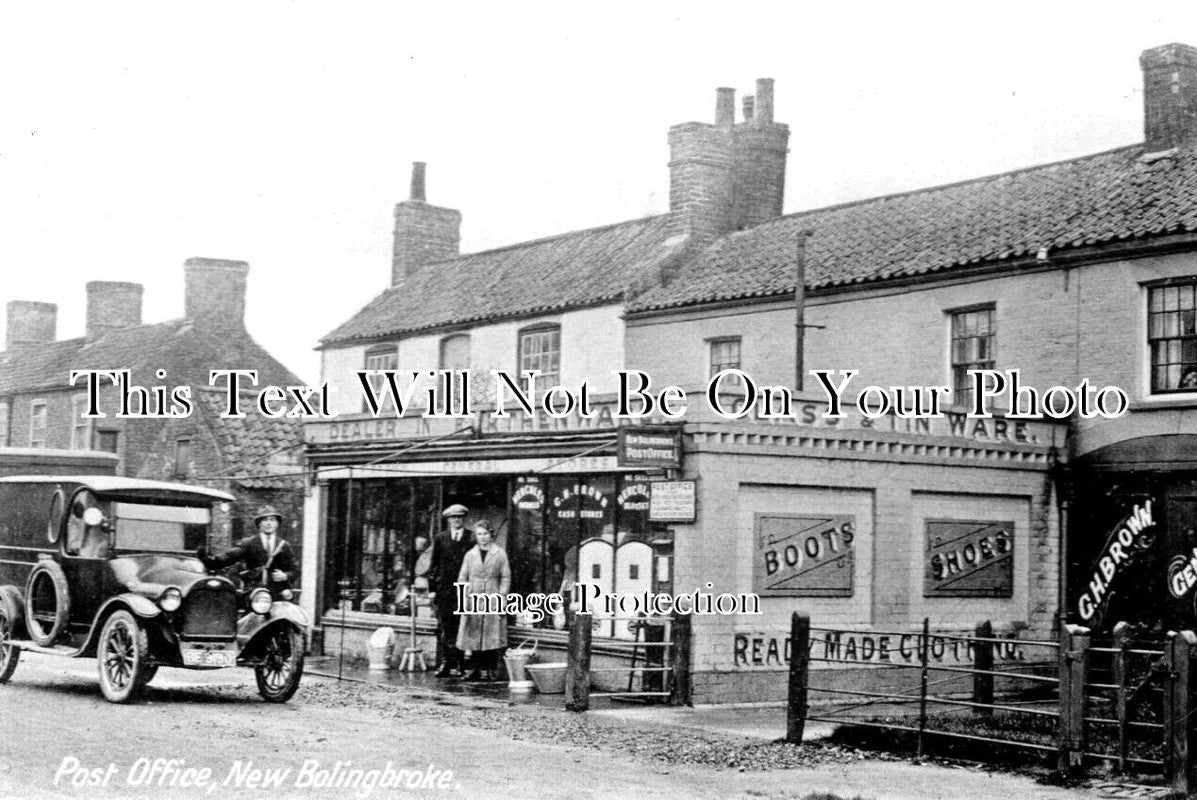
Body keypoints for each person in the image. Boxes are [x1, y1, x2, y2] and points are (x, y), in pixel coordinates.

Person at [456, 520, 510, 680]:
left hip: (492, 596)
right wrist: (464, 596)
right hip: (474, 596)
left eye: (485, 534)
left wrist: (502, 597)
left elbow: (506, 577)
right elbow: (462, 577)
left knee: (491, 634)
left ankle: (491, 670)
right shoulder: (470, 554)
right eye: (479, 534)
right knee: (474, 634)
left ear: (491, 534)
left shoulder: (499, 554)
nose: (483, 537)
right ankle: (475, 670)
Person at [199, 505, 296, 592]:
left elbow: (295, 571)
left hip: (277, 592)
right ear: (259, 524)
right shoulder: (249, 543)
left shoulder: (284, 545)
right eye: (265, 520)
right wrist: (211, 560)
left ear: (277, 524)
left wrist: (285, 576)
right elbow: (229, 556)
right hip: (254, 592)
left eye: (272, 520)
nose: (269, 523)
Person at [429, 504, 473, 677]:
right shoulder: (441, 538)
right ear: (448, 520)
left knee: (462, 627)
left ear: (464, 519)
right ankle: (446, 663)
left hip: (464, 590)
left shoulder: (471, 537)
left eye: (460, 517)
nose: (456, 520)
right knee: (446, 627)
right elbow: (434, 565)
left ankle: (462, 665)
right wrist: (433, 590)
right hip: (445, 591)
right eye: (453, 517)